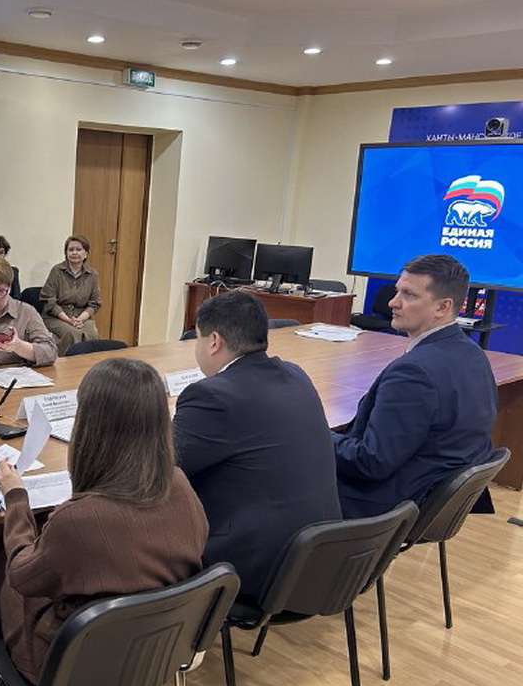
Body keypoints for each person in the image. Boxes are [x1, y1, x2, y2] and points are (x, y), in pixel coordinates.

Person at [0, 356, 208, 686]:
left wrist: (16, 499)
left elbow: (23, 576)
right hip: (156, 652)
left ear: (89, 427)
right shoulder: (181, 486)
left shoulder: (80, 520)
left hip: (68, 668)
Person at [173, 290, 341, 597]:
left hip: (253, 569)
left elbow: (159, 466)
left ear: (213, 341)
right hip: (318, 559)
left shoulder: (212, 396)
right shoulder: (296, 375)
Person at [333, 254, 497, 519]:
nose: (393, 302)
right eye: (397, 291)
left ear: (442, 307)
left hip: (385, 507)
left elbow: (371, 462)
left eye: (408, 295)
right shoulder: (473, 353)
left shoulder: (414, 371)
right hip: (430, 494)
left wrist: (314, 435)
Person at [39, 234, 102, 354]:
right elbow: (48, 300)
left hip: (81, 316)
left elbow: (95, 303)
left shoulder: (92, 275)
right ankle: (65, 363)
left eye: (78, 249)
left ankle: (89, 363)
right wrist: (68, 320)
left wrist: (80, 319)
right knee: (71, 333)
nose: (74, 253)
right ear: (66, 253)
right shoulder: (57, 271)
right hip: (57, 317)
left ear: (86, 254)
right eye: (71, 249)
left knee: (92, 333)